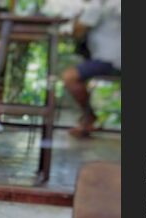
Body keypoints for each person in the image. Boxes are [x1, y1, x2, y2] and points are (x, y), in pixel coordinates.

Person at [61, 0, 121, 138]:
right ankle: (88, 118)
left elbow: (78, 31)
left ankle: (89, 118)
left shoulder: (98, 5)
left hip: (111, 60)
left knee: (70, 77)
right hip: (111, 58)